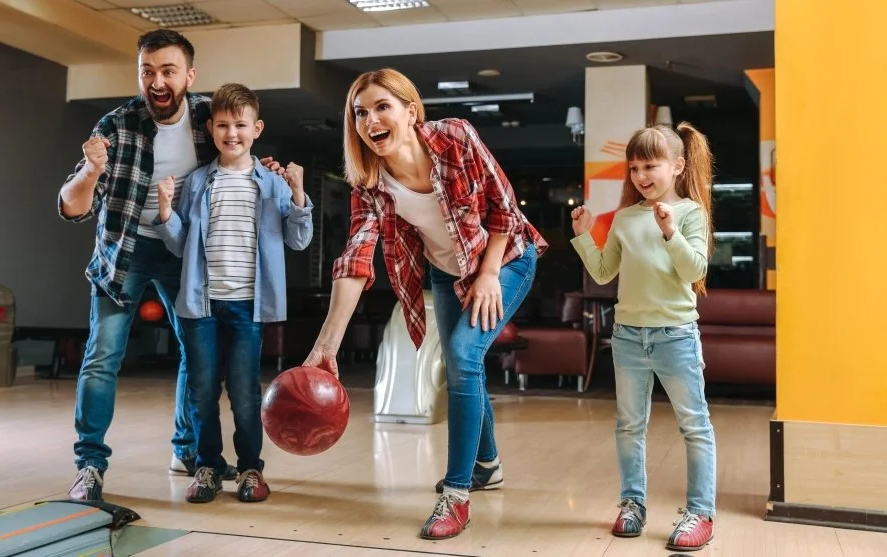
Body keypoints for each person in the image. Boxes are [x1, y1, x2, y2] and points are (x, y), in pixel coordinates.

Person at [302, 68, 548, 540]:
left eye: (381, 107)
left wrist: (490, 273)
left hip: (508, 258)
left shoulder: (455, 138)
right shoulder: (369, 186)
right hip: (447, 271)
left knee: (462, 355)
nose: (370, 120)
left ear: (410, 111)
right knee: (463, 365)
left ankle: (456, 496)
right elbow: (355, 262)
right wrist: (324, 347)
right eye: (359, 113)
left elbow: (504, 207)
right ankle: (488, 465)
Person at [57, 29, 282, 501]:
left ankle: (187, 448)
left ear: (189, 76)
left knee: (194, 353)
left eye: (167, 71)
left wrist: (277, 179)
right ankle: (90, 466)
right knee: (102, 357)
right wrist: (92, 169)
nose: (156, 81)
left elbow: (239, 151)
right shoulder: (115, 126)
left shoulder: (208, 115)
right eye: (147, 71)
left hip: (185, 252)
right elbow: (72, 207)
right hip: (126, 251)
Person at [154, 83, 313, 504]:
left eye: (240, 125)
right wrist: (167, 210)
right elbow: (179, 242)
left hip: (248, 306)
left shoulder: (273, 185)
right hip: (200, 304)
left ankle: (249, 470)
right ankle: (207, 466)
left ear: (256, 128)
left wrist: (298, 193)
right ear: (211, 128)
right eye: (223, 125)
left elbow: (299, 240)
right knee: (202, 390)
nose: (232, 134)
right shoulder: (198, 182)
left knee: (244, 392)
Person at [569, 122, 717, 551]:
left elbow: (695, 272)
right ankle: (632, 504)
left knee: (695, 427)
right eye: (633, 167)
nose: (640, 176)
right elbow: (602, 272)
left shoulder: (691, 213)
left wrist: (670, 231)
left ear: (677, 166)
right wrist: (582, 234)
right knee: (629, 426)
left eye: (649, 165)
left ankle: (699, 513)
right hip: (629, 337)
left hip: (676, 336)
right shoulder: (625, 218)